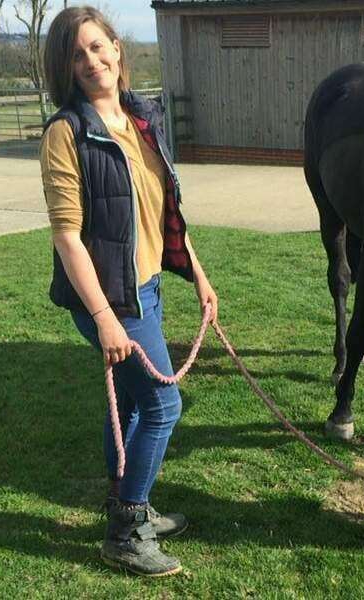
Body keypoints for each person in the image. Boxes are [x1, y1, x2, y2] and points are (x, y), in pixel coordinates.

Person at [40, 6, 218, 577]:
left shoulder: (143, 117)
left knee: (135, 403)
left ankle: (125, 500)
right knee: (163, 405)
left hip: (148, 288)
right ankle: (126, 529)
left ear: (118, 49)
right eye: (77, 54)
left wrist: (199, 274)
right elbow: (68, 238)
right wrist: (105, 316)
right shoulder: (66, 133)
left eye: (98, 47)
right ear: (65, 68)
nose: (92, 61)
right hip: (110, 301)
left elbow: (165, 210)